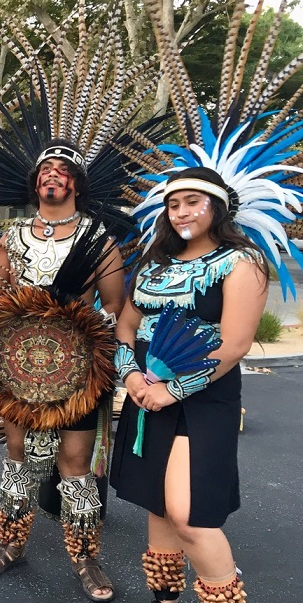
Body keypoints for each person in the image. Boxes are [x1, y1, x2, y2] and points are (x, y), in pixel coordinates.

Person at [0, 141, 124, 602]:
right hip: (18, 370)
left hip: (78, 372)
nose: (52, 177)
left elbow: (114, 305)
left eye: (62, 171)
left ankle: (85, 556)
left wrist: (84, 343)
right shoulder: (13, 237)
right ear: (36, 182)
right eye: (45, 171)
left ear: (74, 182)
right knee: (17, 456)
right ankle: (11, 543)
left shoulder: (97, 237)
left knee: (75, 464)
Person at [111, 167, 267, 603]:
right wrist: (132, 376)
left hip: (205, 397)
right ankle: (165, 595)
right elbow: (125, 327)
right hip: (145, 392)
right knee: (157, 503)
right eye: (173, 204)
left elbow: (234, 345)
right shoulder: (154, 264)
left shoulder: (243, 262)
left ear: (216, 207)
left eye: (192, 202)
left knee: (189, 515)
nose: (181, 213)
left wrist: (171, 390)